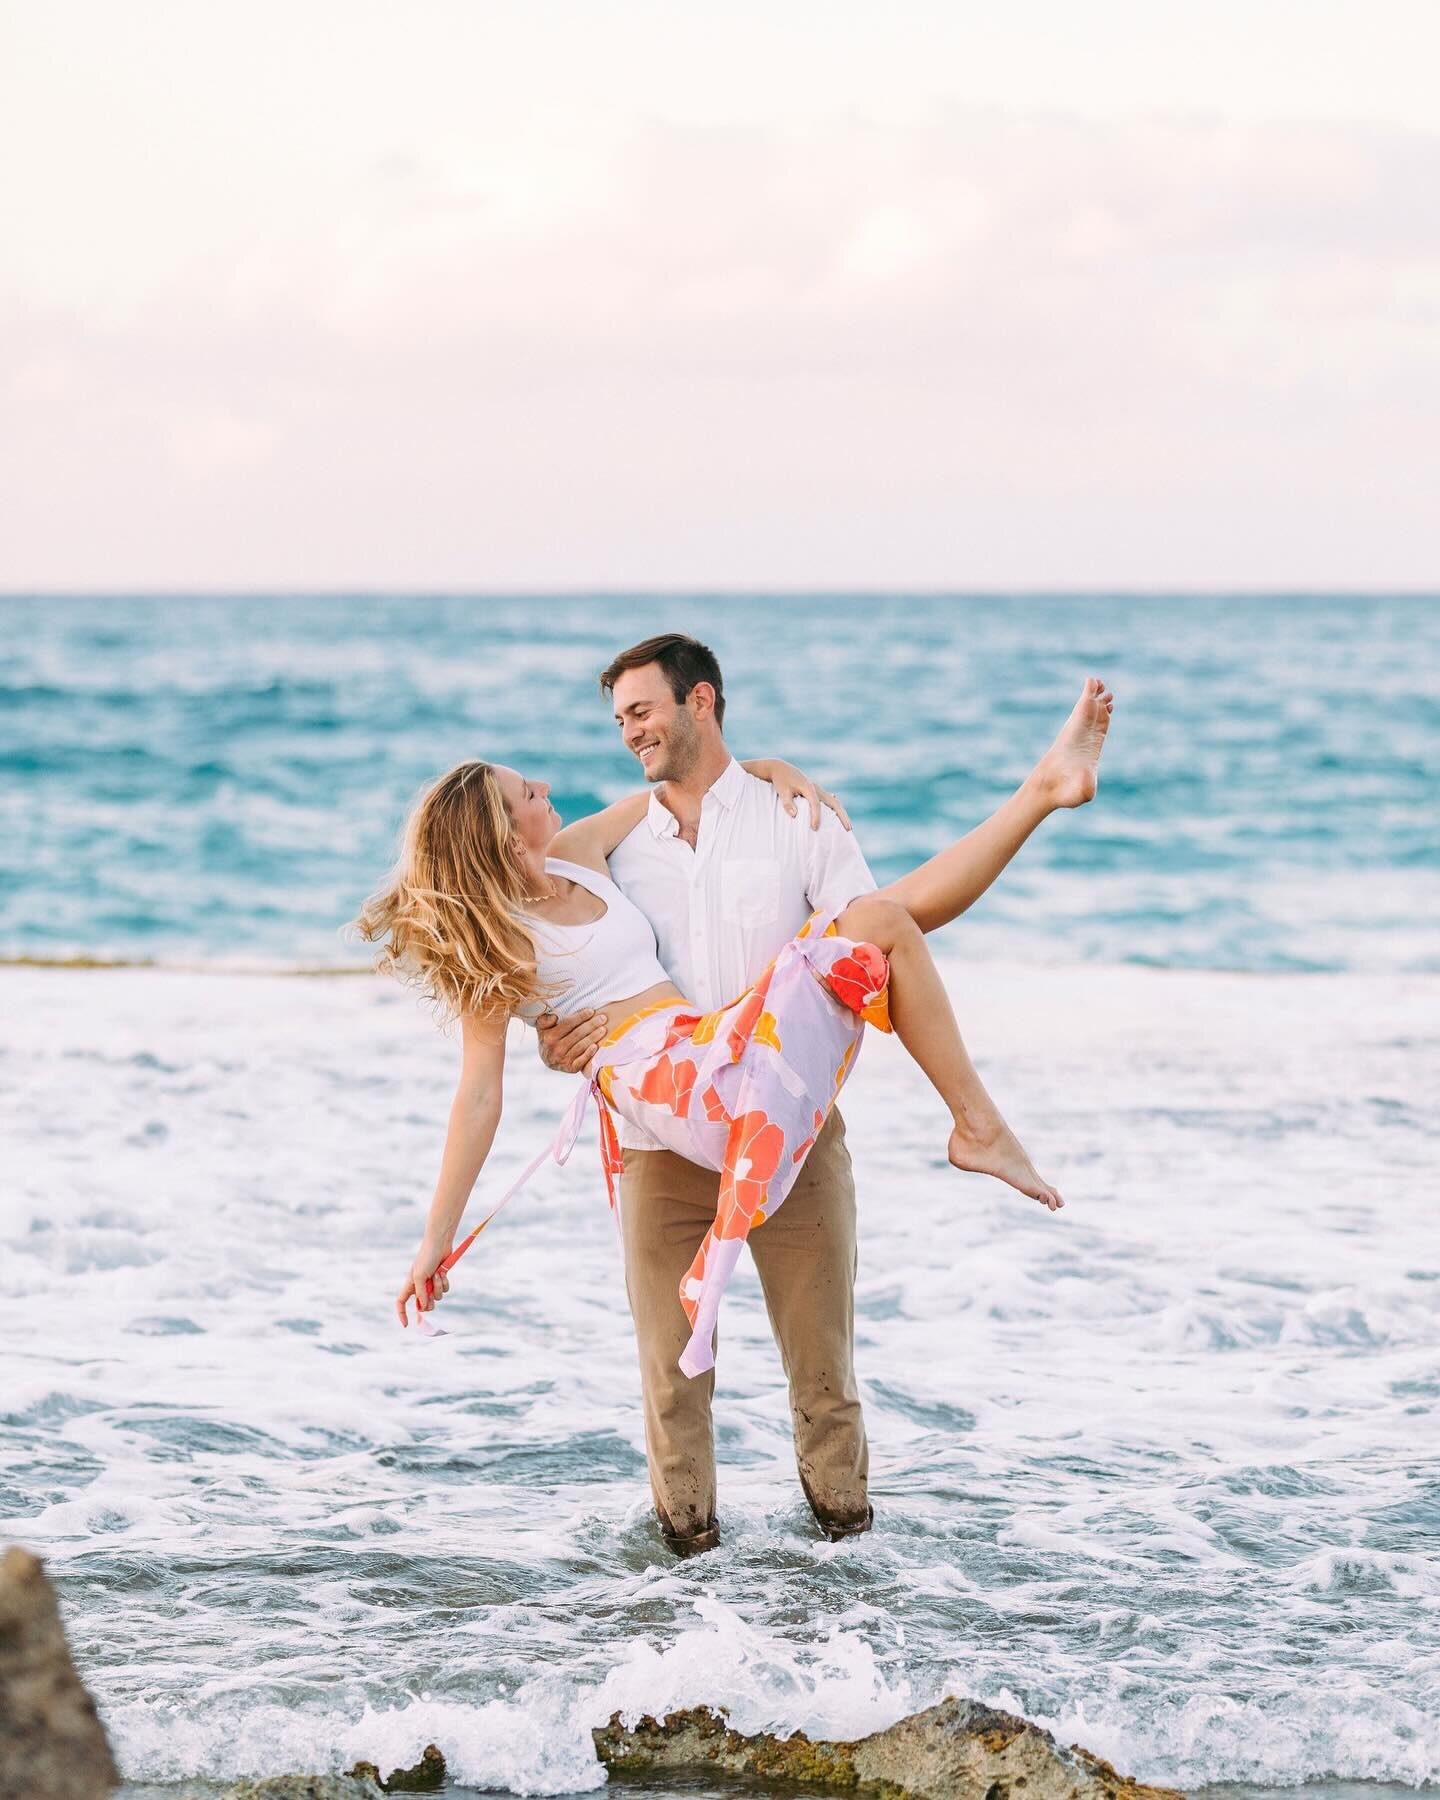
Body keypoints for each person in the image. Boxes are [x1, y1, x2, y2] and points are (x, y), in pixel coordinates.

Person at [359, 634, 1114, 1556]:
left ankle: (845, 1575)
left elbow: (875, 910)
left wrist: (764, 769)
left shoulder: (741, 822)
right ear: (505, 825)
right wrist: (440, 1234)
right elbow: (483, 1087)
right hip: (673, 1111)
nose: (617, 738)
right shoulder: (557, 885)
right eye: (529, 790)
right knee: (672, 1392)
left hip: (760, 1094)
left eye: (642, 712)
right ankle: (686, 1613)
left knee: (825, 1380)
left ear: (700, 703)